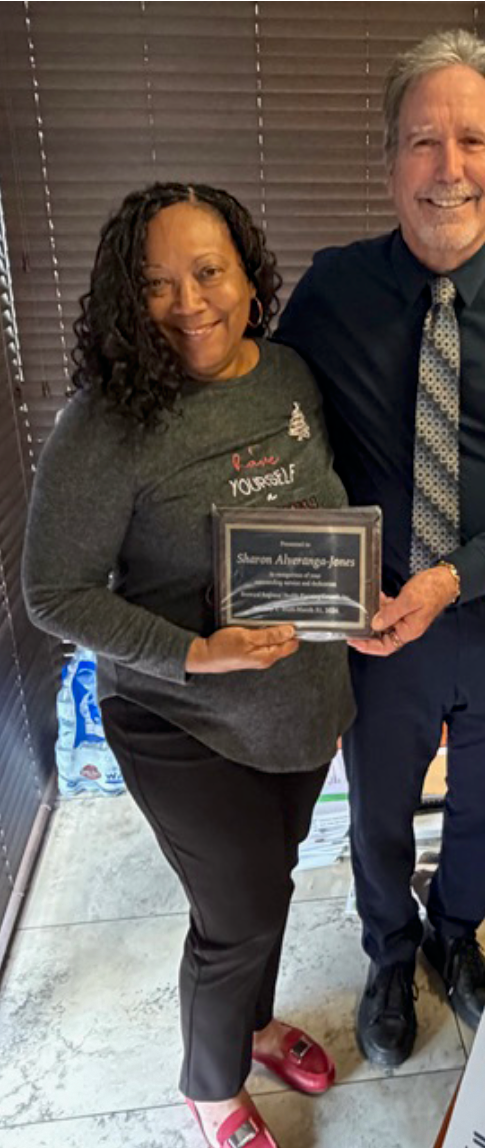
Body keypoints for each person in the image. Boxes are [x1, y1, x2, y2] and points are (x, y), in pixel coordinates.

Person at [276, 29, 485, 1064]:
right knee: (377, 809)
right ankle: (388, 951)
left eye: (471, 139)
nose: (448, 166)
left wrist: (455, 575)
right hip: (379, 628)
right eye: (423, 141)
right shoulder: (331, 291)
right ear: (388, 162)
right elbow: (272, 433)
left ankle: (455, 932)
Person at [22, 182, 356, 1148]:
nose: (188, 302)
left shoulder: (291, 378)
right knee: (240, 906)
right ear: (129, 300)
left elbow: (316, 526)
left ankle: (252, 1028)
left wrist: (356, 605)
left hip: (298, 704)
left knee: (271, 882)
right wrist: (195, 652)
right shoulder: (103, 425)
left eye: (208, 272)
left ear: (249, 277)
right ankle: (210, 1089)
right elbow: (57, 594)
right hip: (179, 719)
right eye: (157, 283)